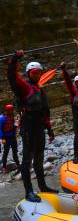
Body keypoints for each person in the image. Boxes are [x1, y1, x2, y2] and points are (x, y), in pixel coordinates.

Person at [7, 50, 58, 203]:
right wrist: (15, 58)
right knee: (27, 160)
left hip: (39, 127)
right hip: (28, 126)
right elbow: (12, 77)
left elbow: (45, 112)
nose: (37, 75)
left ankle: (42, 186)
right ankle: (29, 191)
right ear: (29, 74)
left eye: (39, 73)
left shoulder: (40, 90)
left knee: (39, 158)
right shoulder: (24, 87)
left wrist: (49, 129)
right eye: (34, 73)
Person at [0, 104, 20, 173]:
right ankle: (4, 167)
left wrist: (15, 127)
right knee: (6, 152)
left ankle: (18, 165)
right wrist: (2, 138)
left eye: (12, 110)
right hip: (6, 137)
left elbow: (13, 126)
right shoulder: (2, 118)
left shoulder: (12, 117)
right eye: (10, 110)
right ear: (6, 111)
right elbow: (0, 129)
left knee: (15, 151)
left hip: (12, 136)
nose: (11, 111)